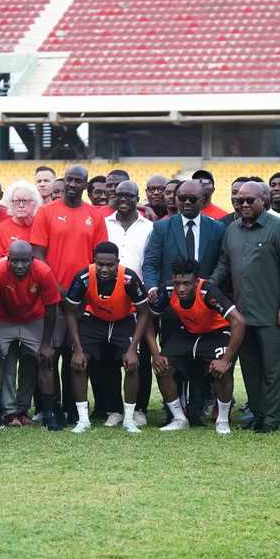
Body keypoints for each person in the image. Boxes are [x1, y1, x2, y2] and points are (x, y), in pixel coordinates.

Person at [211, 181, 280, 433]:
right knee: (250, 369)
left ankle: (270, 419)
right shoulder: (232, 229)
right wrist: (208, 285)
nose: (244, 204)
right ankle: (258, 414)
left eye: (250, 200)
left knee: (273, 369)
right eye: (239, 201)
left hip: (272, 313)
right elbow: (224, 264)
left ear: (264, 200)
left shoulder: (279, 228)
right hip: (242, 315)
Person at [30, 165, 107, 424]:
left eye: (78, 181)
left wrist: (80, 292)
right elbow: (37, 255)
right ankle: (50, 408)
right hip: (52, 298)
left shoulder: (94, 215)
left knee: (76, 354)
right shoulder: (46, 212)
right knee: (50, 353)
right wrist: (57, 289)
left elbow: (99, 258)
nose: (73, 185)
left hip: (83, 299)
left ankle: (74, 408)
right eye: (70, 180)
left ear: (85, 184)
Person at [147, 259, 246, 433]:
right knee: (163, 367)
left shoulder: (208, 291)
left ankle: (223, 421)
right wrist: (155, 354)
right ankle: (179, 418)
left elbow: (239, 321)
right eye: (177, 283)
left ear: (196, 281)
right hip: (189, 333)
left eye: (187, 284)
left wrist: (226, 360)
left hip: (217, 333)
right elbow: (148, 319)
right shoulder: (168, 290)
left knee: (221, 370)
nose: (181, 289)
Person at [64, 241, 151, 433]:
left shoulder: (129, 278)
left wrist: (133, 349)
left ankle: (129, 419)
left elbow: (144, 311)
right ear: (94, 261)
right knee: (78, 363)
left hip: (123, 321)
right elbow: (69, 311)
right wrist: (77, 349)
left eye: (110, 265)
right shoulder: (84, 277)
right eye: (100, 264)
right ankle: (83, 420)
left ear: (117, 262)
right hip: (95, 321)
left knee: (132, 363)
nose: (104, 269)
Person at [0, 240, 61, 431]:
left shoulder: (43, 271)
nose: (20, 265)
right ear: (8, 259)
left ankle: (38, 412)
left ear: (32, 259)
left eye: (25, 261)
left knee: (41, 361)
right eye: (15, 261)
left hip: (33, 319)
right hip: (4, 319)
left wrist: (46, 344)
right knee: (0, 360)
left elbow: (51, 308)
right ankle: (3, 412)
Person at [105, 180, 155, 424]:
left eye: (129, 195)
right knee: (111, 357)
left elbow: (151, 260)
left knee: (141, 356)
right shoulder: (104, 223)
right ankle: (114, 409)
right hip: (108, 298)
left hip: (139, 299)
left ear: (138, 199)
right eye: (120, 195)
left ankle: (139, 409)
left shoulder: (149, 226)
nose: (124, 199)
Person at [0, 182, 40, 260]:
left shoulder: (40, 226)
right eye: (16, 201)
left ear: (34, 203)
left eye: (25, 201)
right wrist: (13, 258)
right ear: (10, 204)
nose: (21, 205)